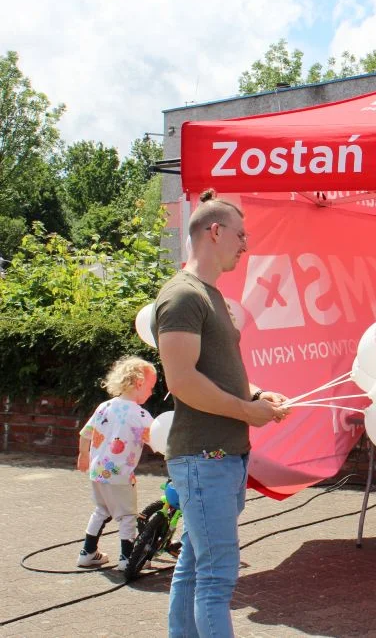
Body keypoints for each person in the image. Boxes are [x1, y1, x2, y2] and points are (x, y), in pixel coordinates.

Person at [154, 190, 289, 638]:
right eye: (240, 234)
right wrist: (246, 411)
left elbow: (215, 373)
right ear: (214, 232)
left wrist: (259, 395)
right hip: (204, 458)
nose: (245, 244)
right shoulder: (183, 296)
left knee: (195, 567)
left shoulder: (207, 296)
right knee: (215, 578)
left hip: (218, 458)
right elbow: (182, 380)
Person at [76, 356, 157, 570]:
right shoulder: (140, 415)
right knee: (128, 516)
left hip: (97, 472)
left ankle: (87, 552)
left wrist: (83, 455)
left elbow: (85, 433)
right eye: (151, 387)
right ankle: (127, 559)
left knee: (101, 510)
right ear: (139, 383)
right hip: (121, 475)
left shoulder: (104, 407)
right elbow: (157, 440)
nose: (151, 393)